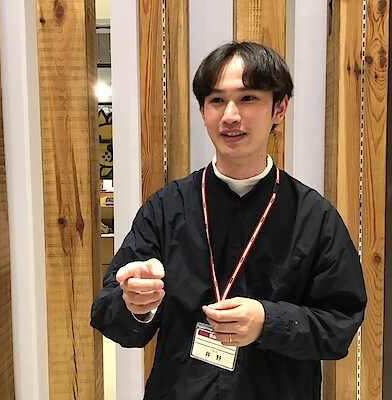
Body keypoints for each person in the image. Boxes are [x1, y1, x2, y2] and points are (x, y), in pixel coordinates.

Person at [91, 42, 366, 400]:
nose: (231, 116)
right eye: (217, 100)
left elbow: (340, 324)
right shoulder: (166, 208)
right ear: (203, 111)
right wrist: (136, 304)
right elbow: (109, 314)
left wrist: (268, 321)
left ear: (279, 108)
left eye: (248, 98)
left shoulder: (314, 216)